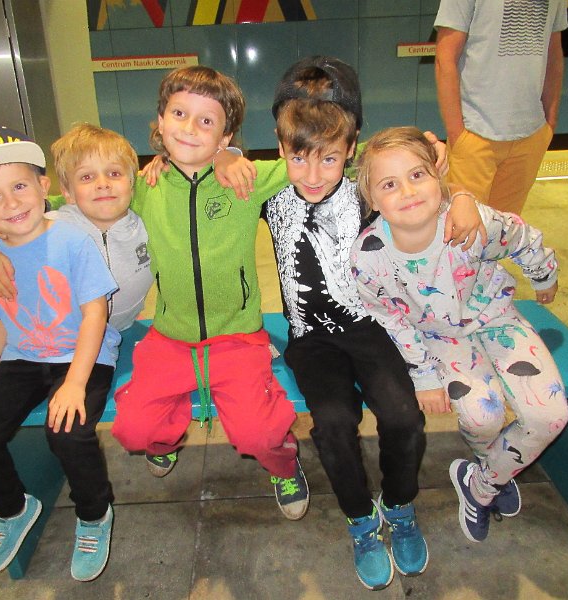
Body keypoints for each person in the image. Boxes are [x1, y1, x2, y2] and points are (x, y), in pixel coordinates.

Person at [201, 55, 484, 589]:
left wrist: (461, 189)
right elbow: (210, 168)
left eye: (329, 159)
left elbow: (418, 183)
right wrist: (224, 155)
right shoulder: (269, 192)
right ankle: (359, 518)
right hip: (311, 340)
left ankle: (399, 505)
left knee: (403, 417)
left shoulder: (364, 191)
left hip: (372, 327)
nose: (313, 175)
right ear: (281, 147)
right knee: (332, 425)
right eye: (299, 158)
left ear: (352, 150)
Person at [109, 65, 311, 520]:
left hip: (237, 336)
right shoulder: (144, 186)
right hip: (170, 338)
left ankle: (283, 463)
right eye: (179, 113)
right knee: (133, 431)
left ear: (225, 136)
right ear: (160, 121)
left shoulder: (244, 179)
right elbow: (78, 197)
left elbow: (315, 161)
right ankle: (164, 438)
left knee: (258, 434)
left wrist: (232, 157)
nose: (189, 128)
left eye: (207, 121)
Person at [350, 126, 568, 544]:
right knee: (482, 417)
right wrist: (423, 375)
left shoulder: (468, 222)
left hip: (497, 318)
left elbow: (518, 235)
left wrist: (544, 273)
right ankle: (495, 466)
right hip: (439, 337)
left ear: (437, 175)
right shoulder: (368, 257)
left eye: (417, 175)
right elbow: (391, 319)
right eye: (389, 184)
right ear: (372, 199)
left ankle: (482, 484)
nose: (408, 192)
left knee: (550, 416)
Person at [0, 125, 121, 580]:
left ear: (43, 187)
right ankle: (13, 509)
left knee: (68, 432)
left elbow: (95, 314)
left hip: (84, 355)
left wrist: (76, 384)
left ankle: (94, 514)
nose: (11, 203)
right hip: (23, 358)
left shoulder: (71, 240)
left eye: (20, 187)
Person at [0, 123, 153, 463]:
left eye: (114, 173)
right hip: (57, 335)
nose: (102, 184)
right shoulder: (56, 221)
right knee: (5, 370)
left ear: (133, 182)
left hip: (118, 330)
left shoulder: (145, 225)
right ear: (66, 191)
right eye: (87, 177)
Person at [434, 0, 567, 215]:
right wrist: (458, 134)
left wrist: (549, 124)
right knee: (463, 227)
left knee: (505, 230)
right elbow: (445, 57)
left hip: (531, 135)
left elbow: (553, 53)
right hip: (475, 133)